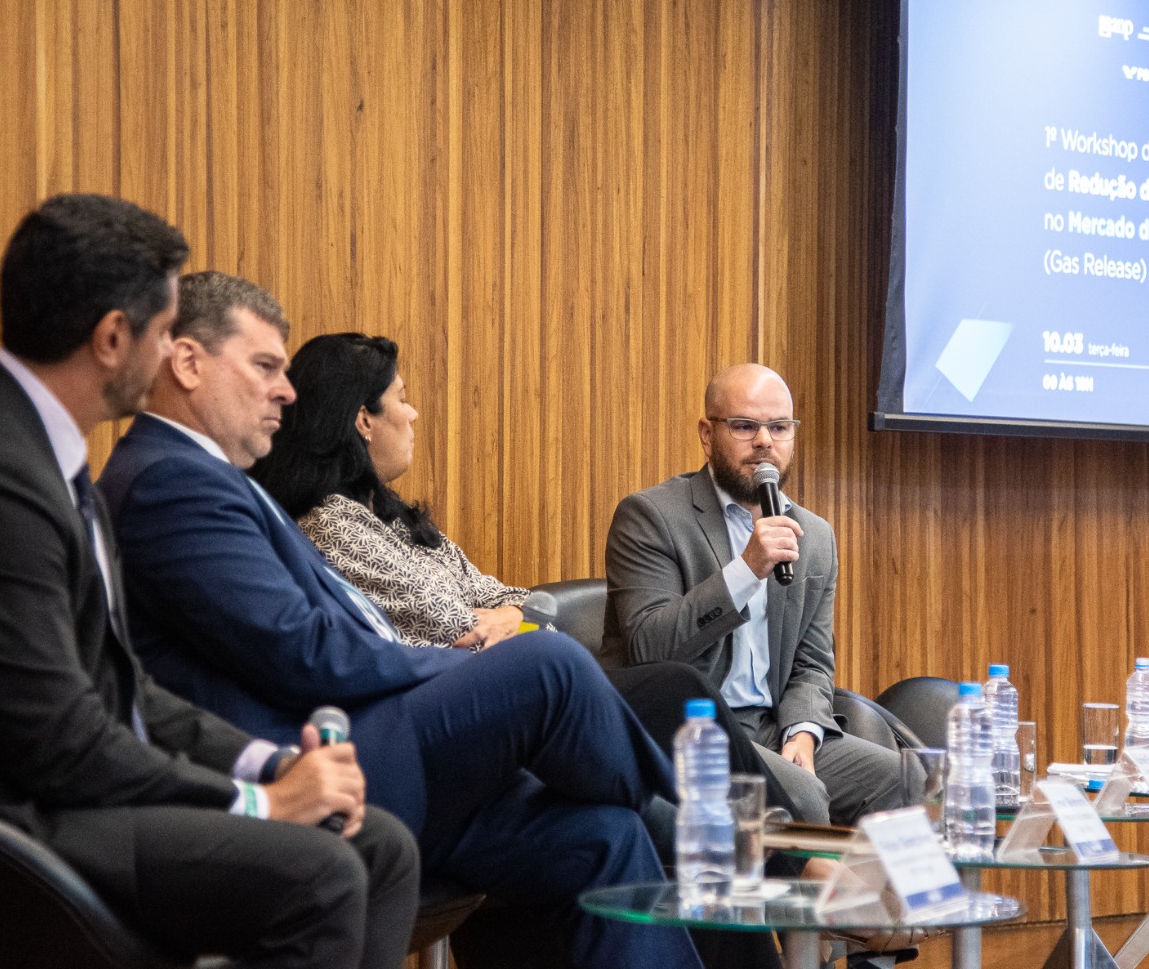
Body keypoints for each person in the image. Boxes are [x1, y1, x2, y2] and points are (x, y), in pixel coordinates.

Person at [0, 195, 418, 969]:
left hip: (35, 792)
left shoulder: (43, 453)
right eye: (167, 330)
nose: (175, 351)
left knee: (378, 846)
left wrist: (268, 764)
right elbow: (61, 742)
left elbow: (119, 687)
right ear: (111, 338)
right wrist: (262, 806)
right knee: (322, 873)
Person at [97, 272, 702, 969]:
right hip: (309, 763)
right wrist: (460, 663)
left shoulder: (216, 478)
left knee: (604, 833)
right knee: (548, 668)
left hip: (381, 740)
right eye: (265, 366)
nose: (285, 392)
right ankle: (709, 832)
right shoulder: (169, 482)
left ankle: (691, 828)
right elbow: (301, 652)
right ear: (188, 363)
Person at [247, 331, 790, 810]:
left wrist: (512, 614)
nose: (413, 415)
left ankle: (782, 860)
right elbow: (458, 628)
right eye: (402, 400)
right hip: (461, 712)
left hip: (518, 687)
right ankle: (797, 860)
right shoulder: (331, 525)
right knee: (672, 687)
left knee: (667, 733)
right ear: (364, 419)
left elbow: (516, 600)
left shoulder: (389, 516)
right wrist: (513, 619)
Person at [605, 364, 919, 827]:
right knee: (804, 798)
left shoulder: (812, 535)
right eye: (745, 426)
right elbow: (647, 647)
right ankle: (805, 896)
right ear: (707, 434)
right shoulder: (651, 516)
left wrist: (804, 732)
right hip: (692, 731)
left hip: (772, 727)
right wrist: (747, 570)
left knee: (911, 783)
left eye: (778, 427)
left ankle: (860, 901)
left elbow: (813, 663)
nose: (764, 442)